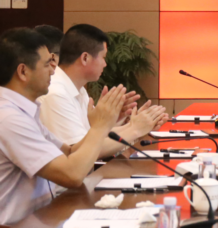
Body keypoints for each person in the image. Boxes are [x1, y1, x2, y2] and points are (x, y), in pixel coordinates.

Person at [0, 28, 126, 225]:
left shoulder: (24, 110)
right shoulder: (9, 118)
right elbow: (72, 175)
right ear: (23, 71)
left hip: (43, 216)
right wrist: (100, 127)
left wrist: (102, 124)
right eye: (47, 64)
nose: (53, 70)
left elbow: (69, 151)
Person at [39, 24, 167, 156]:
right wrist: (135, 129)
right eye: (103, 57)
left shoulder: (78, 89)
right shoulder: (56, 93)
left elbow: (96, 136)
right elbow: (82, 152)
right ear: (85, 58)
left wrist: (136, 125)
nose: (105, 64)